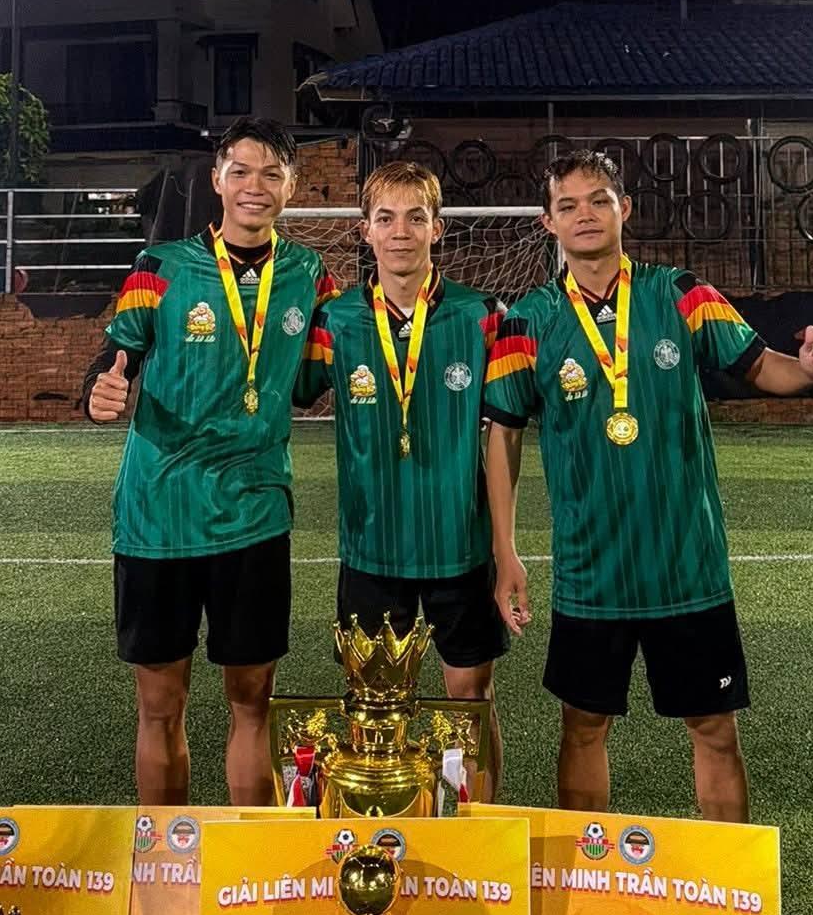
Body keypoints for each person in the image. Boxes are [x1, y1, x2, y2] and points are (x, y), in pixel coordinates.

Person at [482, 148, 813, 820]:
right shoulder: (528, 321)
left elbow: (761, 366)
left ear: (624, 208)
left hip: (687, 565)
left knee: (714, 729)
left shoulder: (681, 294)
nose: (585, 215)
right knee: (583, 727)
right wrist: (505, 552)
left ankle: (725, 876)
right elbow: (503, 434)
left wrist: (811, 370)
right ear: (547, 223)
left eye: (599, 200)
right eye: (568, 205)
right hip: (591, 571)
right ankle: (588, 873)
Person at [84, 115, 335, 805]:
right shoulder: (159, 268)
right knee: (161, 706)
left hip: (254, 512)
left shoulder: (311, 276)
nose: (256, 185)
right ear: (218, 180)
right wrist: (101, 390)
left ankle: (245, 862)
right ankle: (168, 857)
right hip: (159, 514)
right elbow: (113, 359)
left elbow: (314, 380)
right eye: (242, 171)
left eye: (272, 173)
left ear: (292, 187)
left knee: (253, 702)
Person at [296, 160, 509, 797]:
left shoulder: (482, 316)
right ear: (364, 230)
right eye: (385, 218)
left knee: (469, 700)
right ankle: (378, 827)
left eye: (416, 217)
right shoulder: (336, 320)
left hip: (458, 546)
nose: (400, 232)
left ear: (437, 228)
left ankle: (478, 831)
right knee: (371, 705)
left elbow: (512, 421)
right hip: (372, 546)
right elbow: (289, 389)